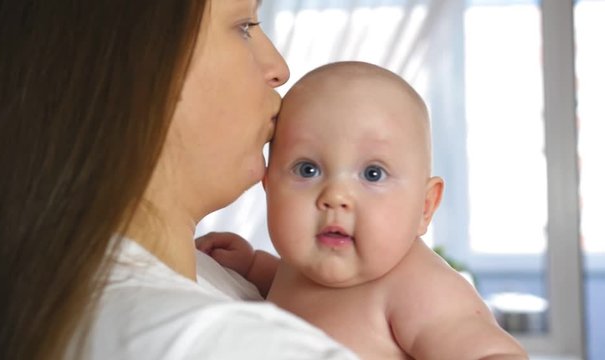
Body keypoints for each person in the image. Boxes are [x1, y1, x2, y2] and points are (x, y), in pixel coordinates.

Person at [0, 1, 359, 359]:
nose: (279, 69)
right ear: (134, 57)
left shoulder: (58, 291)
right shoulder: (219, 344)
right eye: (244, 26)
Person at [197, 61, 529, 359]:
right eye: (307, 169)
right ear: (268, 184)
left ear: (424, 207)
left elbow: (492, 353)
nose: (336, 195)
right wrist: (251, 266)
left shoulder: (420, 289)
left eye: (373, 174)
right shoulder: (300, 268)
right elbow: (296, 293)